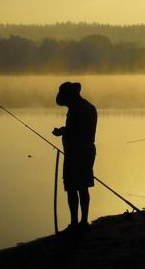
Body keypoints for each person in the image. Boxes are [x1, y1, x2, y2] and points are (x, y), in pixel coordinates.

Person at [52, 81, 97, 231]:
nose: (65, 104)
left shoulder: (76, 109)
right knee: (83, 187)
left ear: (69, 97)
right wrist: (65, 131)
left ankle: (75, 223)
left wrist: (61, 132)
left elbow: (74, 131)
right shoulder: (89, 107)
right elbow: (79, 129)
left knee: (72, 188)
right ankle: (83, 221)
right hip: (88, 151)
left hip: (75, 153)